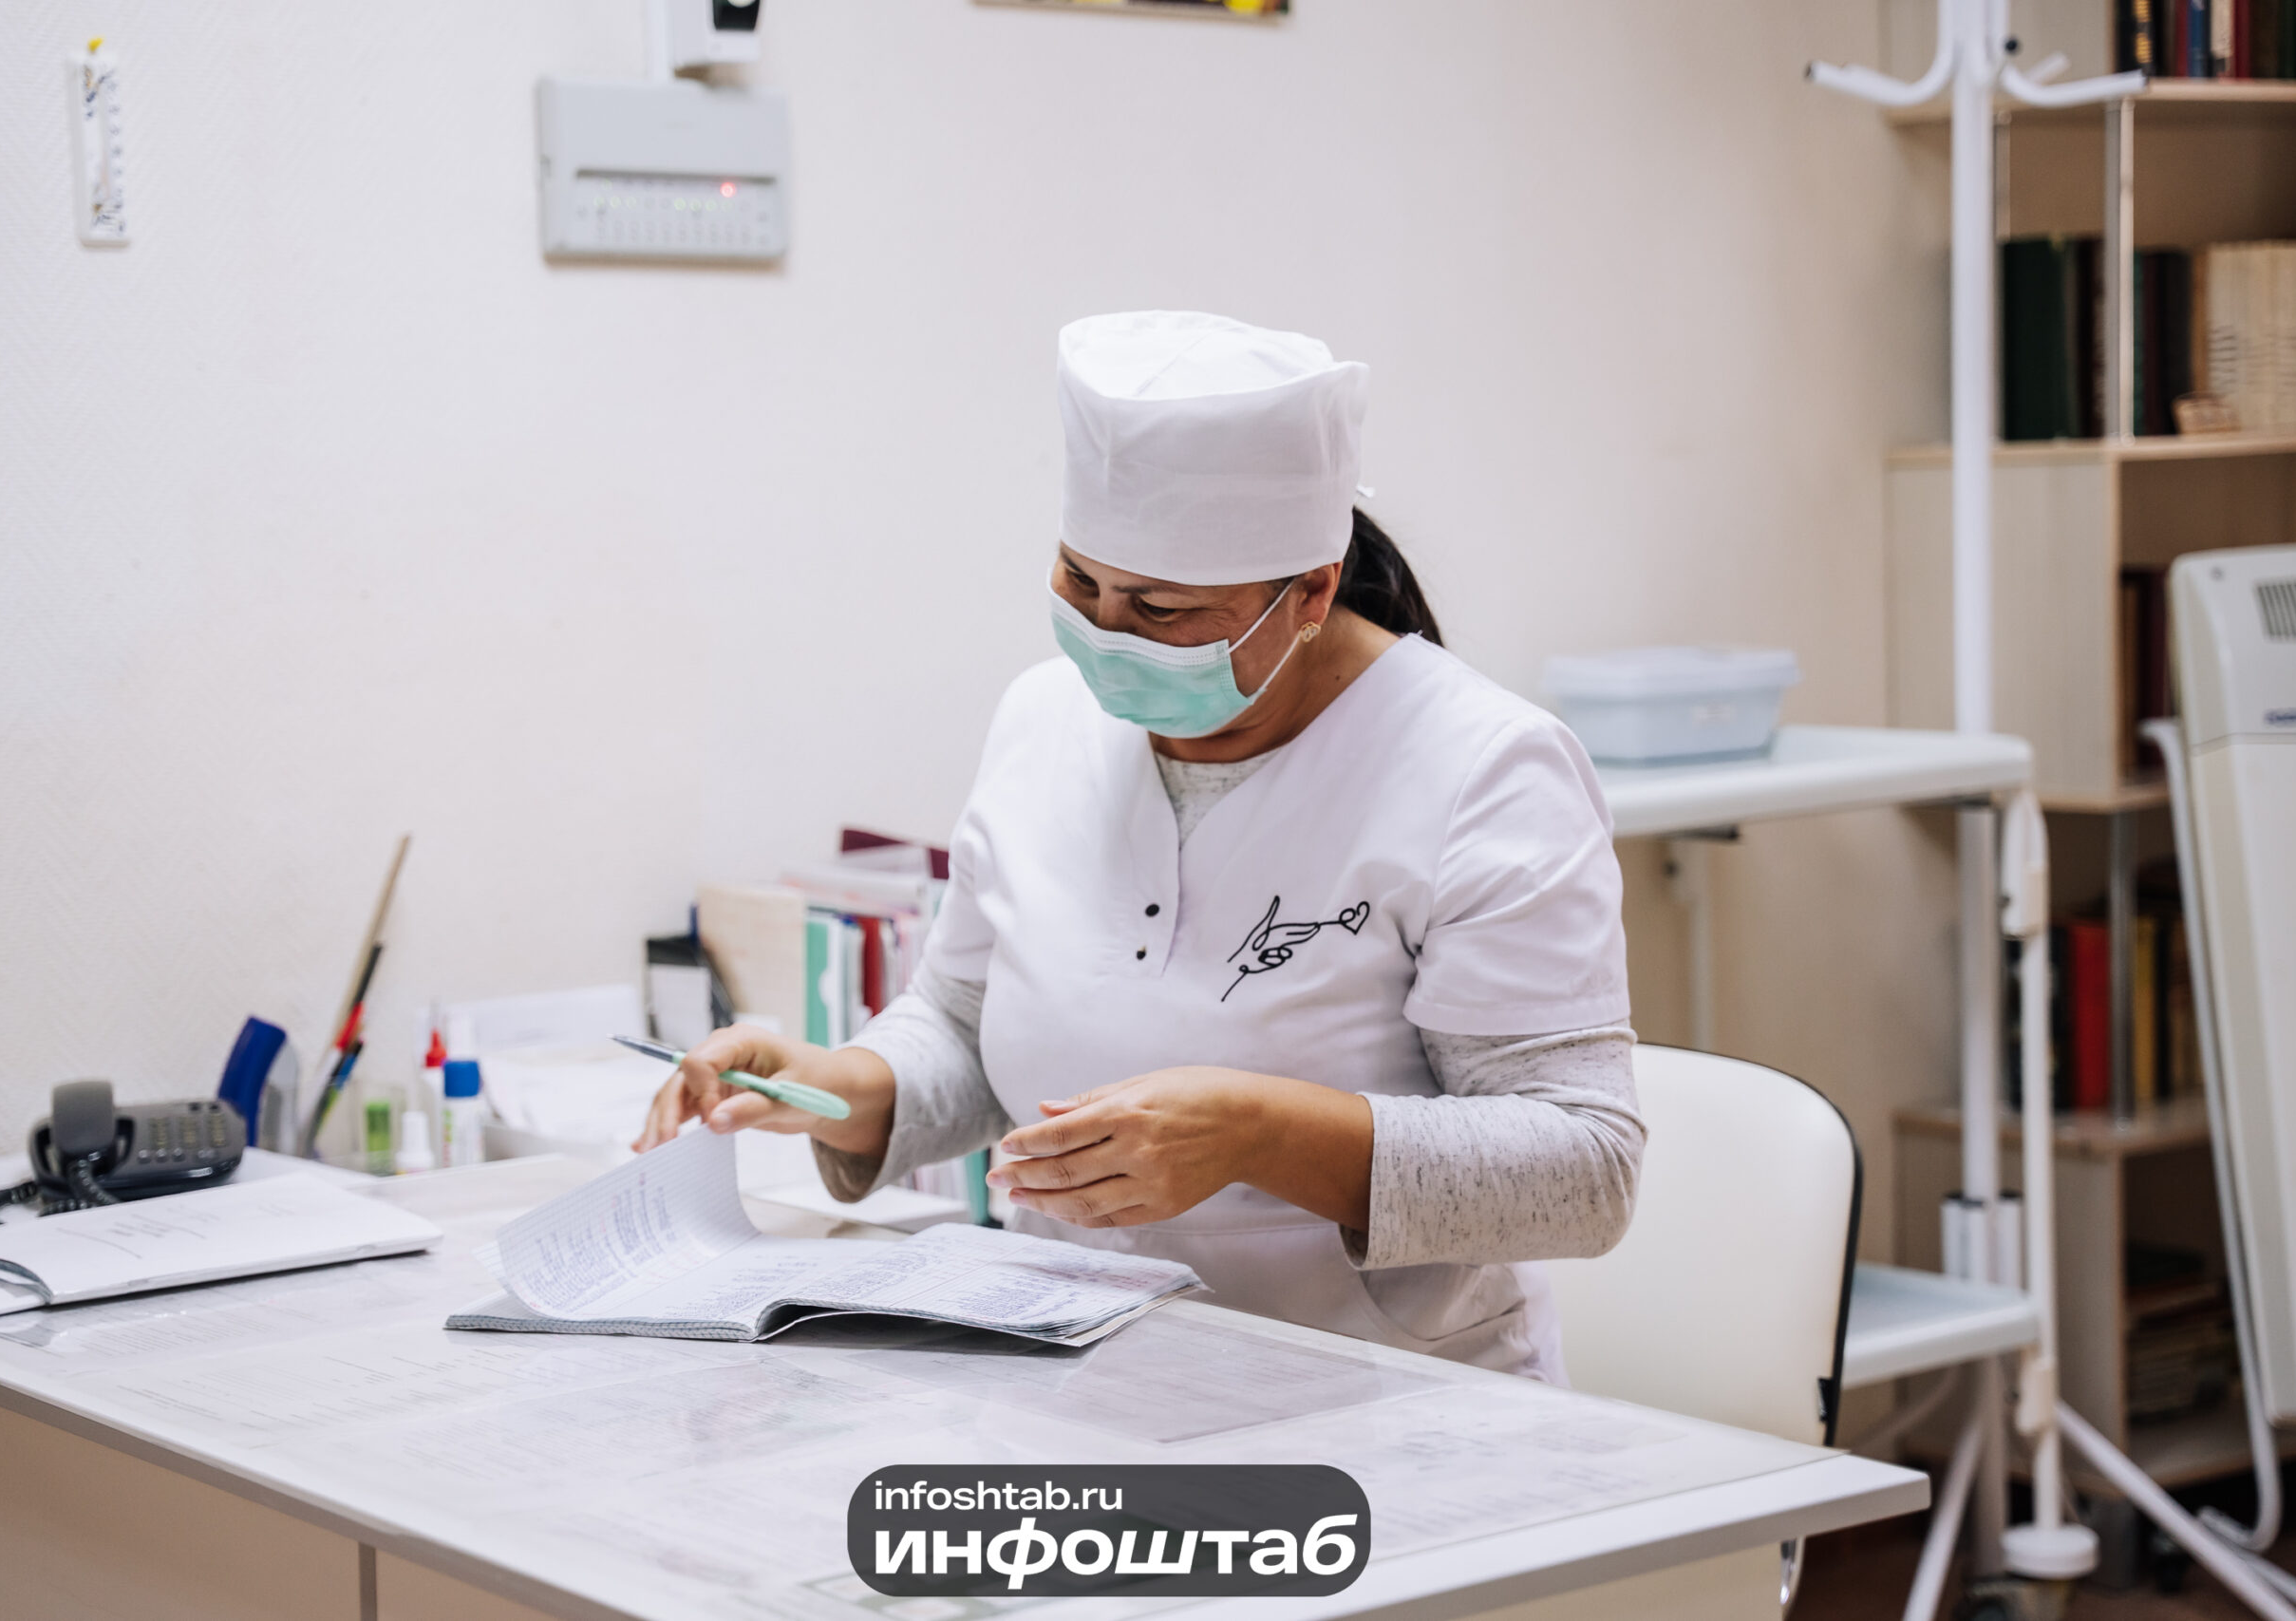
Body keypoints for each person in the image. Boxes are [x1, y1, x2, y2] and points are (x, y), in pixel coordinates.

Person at [639, 311, 1643, 1378]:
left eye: (1162, 608)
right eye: (1081, 583)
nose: (1107, 634)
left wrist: (1257, 1131)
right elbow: (967, 1025)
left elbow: (1583, 1168)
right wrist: (840, 1087)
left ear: (1310, 591)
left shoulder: (1483, 769)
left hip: (1378, 1397)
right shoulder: (1042, 717)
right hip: (1065, 1368)